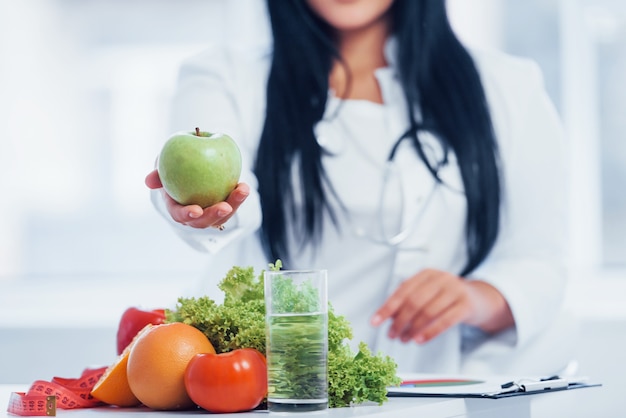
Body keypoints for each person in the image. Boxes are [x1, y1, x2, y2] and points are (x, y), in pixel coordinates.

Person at [145, 0, 573, 375]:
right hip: (281, 390)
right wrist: (212, 211)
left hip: (436, 390)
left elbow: (540, 262)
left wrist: (478, 298)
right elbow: (228, 196)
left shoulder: (510, 86)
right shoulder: (225, 76)